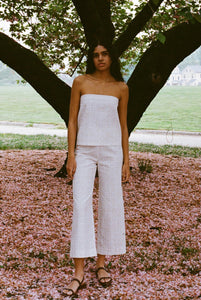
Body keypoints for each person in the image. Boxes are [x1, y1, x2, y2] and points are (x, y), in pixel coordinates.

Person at [62, 41, 130, 297]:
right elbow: (72, 119)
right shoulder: (81, 82)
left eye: (104, 54)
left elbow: (123, 126)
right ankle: (78, 271)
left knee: (109, 205)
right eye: (95, 55)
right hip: (84, 152)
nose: (100, 58)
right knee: (81, 205)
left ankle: (101, 264)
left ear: (112, 57)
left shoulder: (121, 88)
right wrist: (71, 154)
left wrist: (126, 159)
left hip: (112, 151)